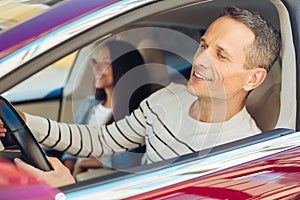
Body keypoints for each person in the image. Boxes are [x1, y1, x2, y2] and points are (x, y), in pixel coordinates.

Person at [0, 6, 281, 187]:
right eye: (203, 45)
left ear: (253, 78)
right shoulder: (167, 99)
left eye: (220, 55)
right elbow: (102, 141)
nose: (200, 61)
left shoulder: (245, 154)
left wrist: (68, 191)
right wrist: (26, 122)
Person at [62, 40, 149, 176]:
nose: (97, 68)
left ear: (124, 67)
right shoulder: (89, 105)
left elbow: (132, 159)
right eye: (96, 61)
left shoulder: (138, 112)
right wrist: (68, 170)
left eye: (106, 62)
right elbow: (70, 144)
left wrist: (88, 163)